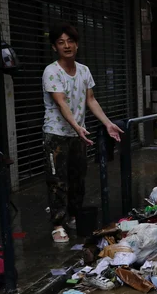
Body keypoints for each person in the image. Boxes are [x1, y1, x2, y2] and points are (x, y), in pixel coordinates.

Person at [43, 23, 123, 243]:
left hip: (79, 135)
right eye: (61, 42)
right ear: (54, 47)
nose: (66, 46)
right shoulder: (51, 72)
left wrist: (107, 123)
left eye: (70, 41)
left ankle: (74, 216)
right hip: (56, 134)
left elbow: (91, 100)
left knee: (78, 179)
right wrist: (76, 126)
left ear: (77, 44)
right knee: (58, 181)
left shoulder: (84, 70)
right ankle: (58, 224)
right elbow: (61, 103)